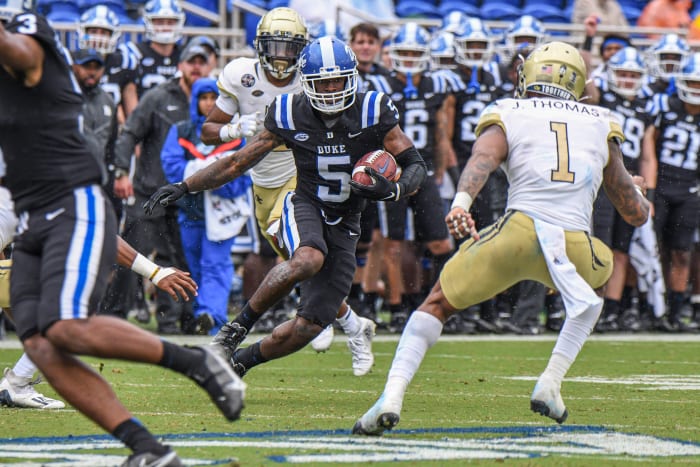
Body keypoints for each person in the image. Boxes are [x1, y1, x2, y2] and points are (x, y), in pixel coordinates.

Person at [352, 42, 650, 435]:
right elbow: (634, 212)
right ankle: (551, 381)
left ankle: (390, 398)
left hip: (518, 234)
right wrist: (640, 193)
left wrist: (461, 203)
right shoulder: (600, 119)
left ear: (532, 73)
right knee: (595, 284)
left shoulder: (509, 109)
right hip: (580, 249)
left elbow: (483, 160)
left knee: (437, 303)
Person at [0, 4, 244, 466]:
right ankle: (149, 450)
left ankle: (197, 363)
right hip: (33, 214)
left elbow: (18, 50)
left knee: (66, 326)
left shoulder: (30, 45)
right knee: (41, 348)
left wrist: (151, 269)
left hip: (72, 203)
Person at [145, 36, 427, 379]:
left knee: (308, 326)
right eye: (322, 82)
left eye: (338, 79)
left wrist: (394, 190)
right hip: (304, 202)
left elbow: (414, 164)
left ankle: (237, 364)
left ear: (352, 77)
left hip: (346, 221)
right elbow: (237, 163)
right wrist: (184, 185)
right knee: (308, 258)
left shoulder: (372, 109)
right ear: (306, 83)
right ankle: (231, 333)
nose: (331, 89)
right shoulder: (289, 111)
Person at [199, 8, 377, 375]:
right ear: (260, 47)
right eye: (275, 46)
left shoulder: (314, 78)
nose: (282, 56)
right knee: (299, 265)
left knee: (306, 258)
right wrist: (235, 129)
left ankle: (257, 327)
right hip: (261, 180)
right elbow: (208, 130)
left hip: (302, 176)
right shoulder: (240, 75)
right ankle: (353, 324)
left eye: (290, 47)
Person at [105, 42, 213, 335]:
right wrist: (121, 171)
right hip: (149, 190)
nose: (196, 67)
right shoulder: (157, 96)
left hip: (188, 195)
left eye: (202, 62)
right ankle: (112, 318)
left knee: (181, 259)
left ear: (211, 65)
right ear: (181, 65)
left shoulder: (215, 100)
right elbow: (129, 134)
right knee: (129, 254)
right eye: (191, 61)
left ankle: (177, 320)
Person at [368, 23, 455, 333]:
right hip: (391, 172)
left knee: (441, 242)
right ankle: (397, 307)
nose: (407, 58)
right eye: (402, 52)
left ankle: (439, 303)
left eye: (413, 53)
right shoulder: (379, 83)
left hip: (426, 170)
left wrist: (443, 167)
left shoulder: (436, 84)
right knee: (393, 242)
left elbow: (442, 130)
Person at [160, 77, 250, 335]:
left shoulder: (234, 133)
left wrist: (208, 176)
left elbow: (242, 175)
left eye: (214, 98)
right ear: (195, 101)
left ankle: (212, 317)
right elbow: (171, 167)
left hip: (223, 213)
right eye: (204, 98)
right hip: (190, 211)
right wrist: (212, 171)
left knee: (215, 263)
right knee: (195, 266)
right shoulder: (181, 130)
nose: (209, 103)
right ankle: (201, 314)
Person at [583, 46, 657, 332]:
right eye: (622, 74)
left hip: (632, 184)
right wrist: (589, 45)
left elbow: (648, 154)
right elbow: (588, 85)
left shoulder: (646, 105)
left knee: (622, 250)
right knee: (599, 246)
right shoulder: (603, 101)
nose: (627, 80)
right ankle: (594, 305)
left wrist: (646, 192)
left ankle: (612, 309)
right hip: (603, 183)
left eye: (633, 75)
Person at [643, 52, 700, 331]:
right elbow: (648, 151)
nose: (697, 89)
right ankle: (649, 310)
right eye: (693, 82)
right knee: (653, 251)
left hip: (689, 190)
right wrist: (651, 194)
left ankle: (676, 313)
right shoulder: (664, 105)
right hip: (662, 187)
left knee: (682, 252)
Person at [71, 47, 121, 217]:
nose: (92, 72)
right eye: (87, 67)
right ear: (74, 67)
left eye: (96, 67)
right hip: (67, 181)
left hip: (99, 180)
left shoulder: (108, 101)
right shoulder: (64, 97)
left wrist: (116, 174)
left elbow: (111, 145)